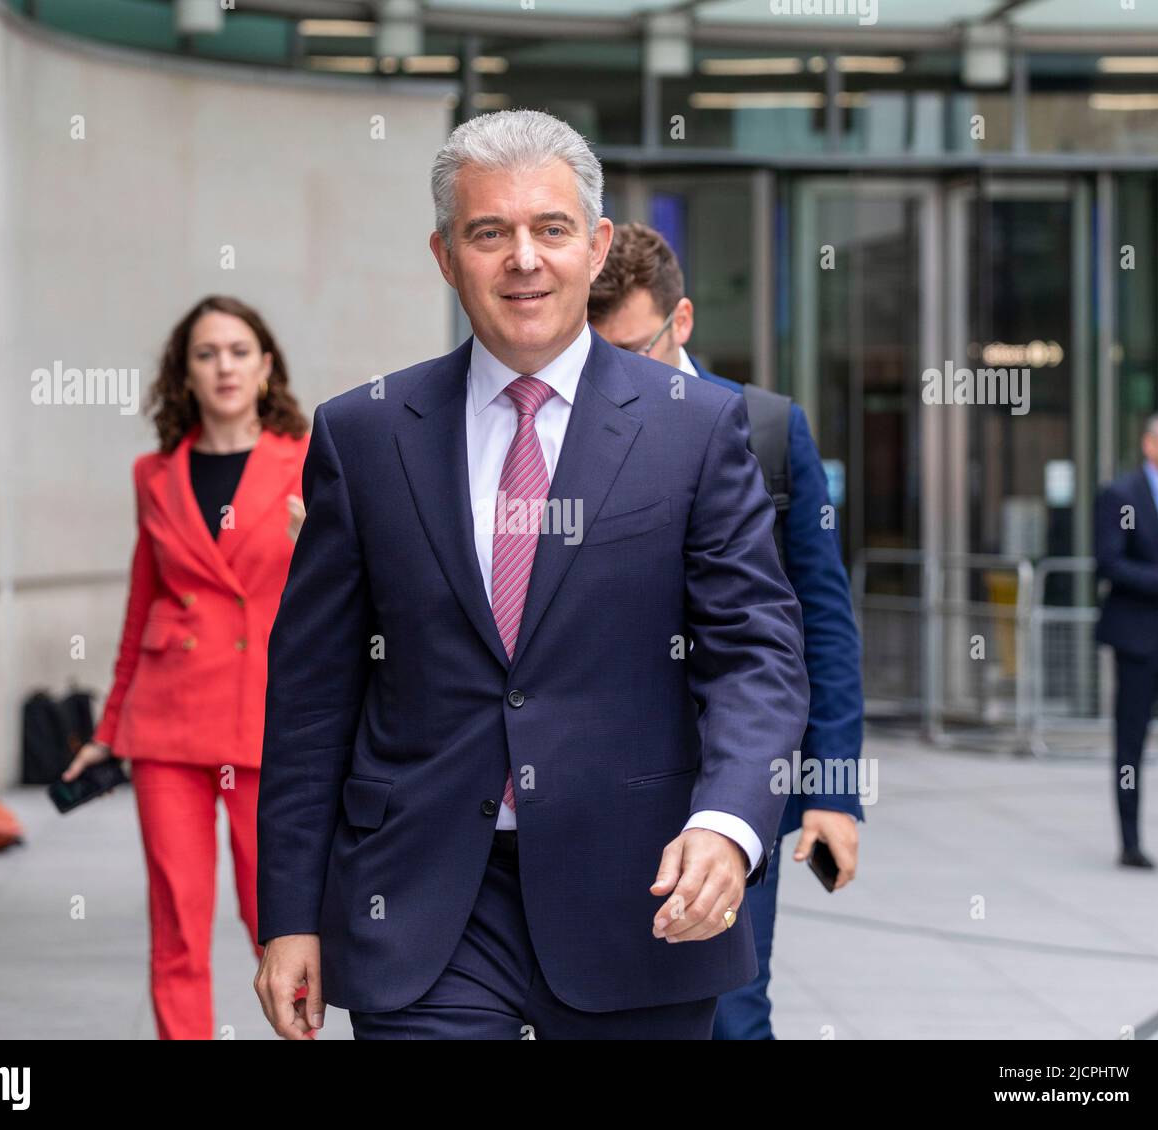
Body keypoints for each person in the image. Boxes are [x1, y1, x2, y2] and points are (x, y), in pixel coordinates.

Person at [253, 109, 809, 1041]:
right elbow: (313, 695)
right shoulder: (364, 434)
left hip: (638, 900)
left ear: (594, 248)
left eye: (550, 229)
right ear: (444, 255)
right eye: (489, 232)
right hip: (423, 905)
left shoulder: (695, 429)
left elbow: (757, 655)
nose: (524, 258)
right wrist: (290, 912)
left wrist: (730, 822)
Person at [589, 221, 864, 1040]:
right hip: (598, 776)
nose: (616, 373)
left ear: (683, 321)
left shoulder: (769, 429)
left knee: (733, 1013)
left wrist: (834, 790)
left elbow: (823, 620)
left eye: (634, 349)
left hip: (736, 780)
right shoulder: (566, 427)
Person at [64, 295, 312, 1039]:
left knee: (275, 923)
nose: (224, 366)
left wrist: (318, 543)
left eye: (239, 350)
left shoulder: (306, 460)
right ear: (186, 375)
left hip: (266, 723)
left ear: (266, 366)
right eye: (206, 354)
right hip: (168, 726)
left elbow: (351, 598)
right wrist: (108, 730)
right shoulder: (155, 474)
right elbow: (141, 606)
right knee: (176, 922)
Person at [1094, 410, 1158, 868]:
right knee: (1132, 743)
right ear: (1150, 446)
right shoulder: (1120, 497)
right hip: (1141, 635)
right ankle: (1129, 841)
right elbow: (1108, 564)